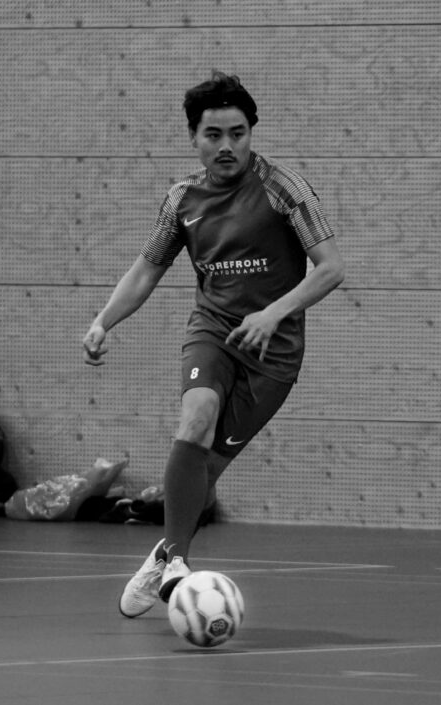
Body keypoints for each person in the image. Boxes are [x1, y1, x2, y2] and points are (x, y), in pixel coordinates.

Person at [82, 70, 345, 618]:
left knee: (206, 472)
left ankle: (163, 555)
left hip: (273, 354)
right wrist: (104, 321)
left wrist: (273, 313)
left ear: (251, 133)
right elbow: (146, 269)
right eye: (213, 135)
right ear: (194, 138)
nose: (227, 146)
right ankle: (178, 563)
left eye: (238, 133)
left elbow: (330, 269)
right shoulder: (182, 199)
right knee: (195, 419)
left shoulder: (284, 188)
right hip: (214, 332)